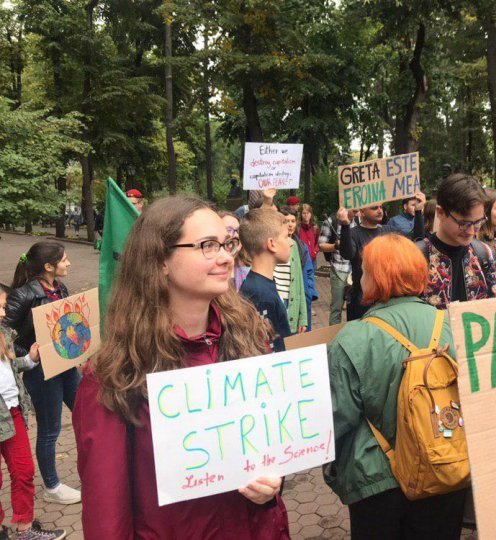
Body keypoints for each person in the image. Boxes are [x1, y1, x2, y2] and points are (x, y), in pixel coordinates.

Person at [73, 197, 288, 539]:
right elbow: (106, 514)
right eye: (207, 246)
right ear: (160, 262)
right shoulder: (115, 375)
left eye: (227, 244)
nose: (225, 257)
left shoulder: (249, 341)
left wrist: (272, 484)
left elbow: (268, 449)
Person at [325, 234, 465, 539]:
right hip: (444, 468)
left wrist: (334, 473)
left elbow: (335, 420)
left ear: (375, 277)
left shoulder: (351, 339)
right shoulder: (455, 325)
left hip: (378, 483)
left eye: (363, 271)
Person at [3, 242, 81, 505]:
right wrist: (29, 356)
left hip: (67, 366)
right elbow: (5, 337)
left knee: (86, 412)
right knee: (50, 430)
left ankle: (94, 466)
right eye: (64, 260)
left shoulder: (60, 289)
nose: (68, 264)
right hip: (42, 373)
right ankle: (52, 486)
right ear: (49, 266)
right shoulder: (22, 296)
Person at [0, 287, 66, 540]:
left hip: (12, 413)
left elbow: (9, 366)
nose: (4, 313)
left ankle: (25, 529)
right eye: (0, 307)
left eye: (4, 307)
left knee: (24, 471)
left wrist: (29, 359)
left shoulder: (3, 333)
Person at [417, 174, 496, 310]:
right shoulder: (415, 257)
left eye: (477, 222)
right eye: (463, 223)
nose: (471, 231)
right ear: (440, 213)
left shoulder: (483, 253)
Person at [338, 194, 426, 321]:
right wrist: (345, 226)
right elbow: (347, 254)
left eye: (381, 207)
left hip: (388, 301)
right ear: (362, 211)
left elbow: (417, 240)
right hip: (362, 302)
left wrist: (418, 212)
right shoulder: (354, 233)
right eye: (374, 208)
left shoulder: (390, 230)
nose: (380, 210)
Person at [239, 208, 293, 353]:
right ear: (272, 244)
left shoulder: (260, 286)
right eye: (286, 237)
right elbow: (268, 349)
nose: (291, 243)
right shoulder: (259, 295)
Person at [319, 210, 357, 325]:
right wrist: (336, 246)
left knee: (355, 309)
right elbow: (321, 245)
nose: (357, 210)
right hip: (339, 270)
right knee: (336, 309)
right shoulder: (331, 221)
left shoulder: (359, 220)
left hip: (355, 271)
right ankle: (333, 339)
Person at [274, 209, 308, 334]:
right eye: (286, 221)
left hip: (291, 300)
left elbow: (299, 283)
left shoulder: (294, 245)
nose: (290, 225)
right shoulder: (272, 243)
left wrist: (303, 317)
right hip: (276, 300)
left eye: (293, 221)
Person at [219, 211, 250, 291]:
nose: (236, 235)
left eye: (237, 230)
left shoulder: (247, 268)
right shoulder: (213, 267)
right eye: (229, 229)